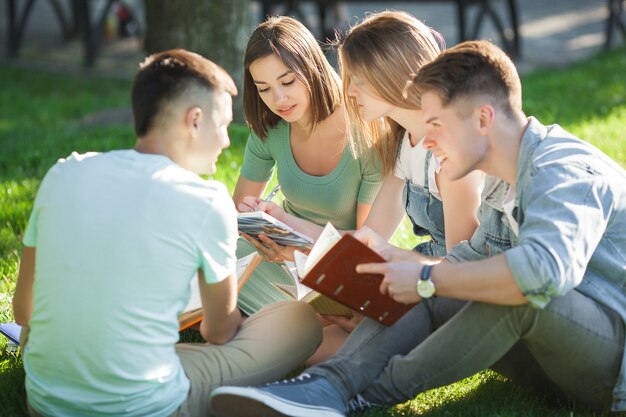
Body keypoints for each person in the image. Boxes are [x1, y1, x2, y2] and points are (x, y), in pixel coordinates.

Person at [208, 39, 626, 416]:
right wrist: (406, 268)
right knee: (440, 283)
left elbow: (544, 274)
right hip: (551, 363)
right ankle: (326, 385)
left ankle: (359, 395)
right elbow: (459, 266)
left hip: (610, 369)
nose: (425, 142)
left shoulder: (566, 171)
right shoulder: (503, 184)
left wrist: (427, 275)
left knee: (507, 290)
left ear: (483, 118)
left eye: (437, 126)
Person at [12, 49, 322, 417]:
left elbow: (23, 310)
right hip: (143, 405)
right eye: (222, 125)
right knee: (299, 321)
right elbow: (218, 332)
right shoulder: (207, 201)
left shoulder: (63, 173)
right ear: (194, 120)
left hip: (45, 399)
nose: (225, 141)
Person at [233, 16, 382, 363]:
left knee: (340, 327)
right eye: (264, 88)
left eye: (287, 81)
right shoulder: (270, 128)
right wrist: (253, 217)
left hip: (339, 264)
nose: (278, 98)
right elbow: (237, 210)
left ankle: (268, 337)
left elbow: (367, 246)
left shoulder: (363, 129)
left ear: (312, 66)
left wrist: (296, 241)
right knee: (214, 265)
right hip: (280, 259)